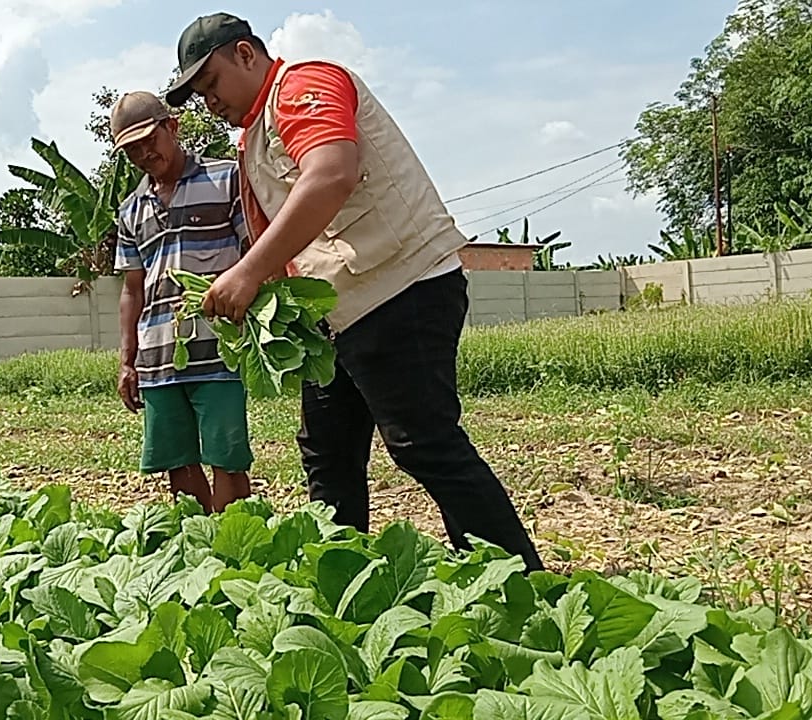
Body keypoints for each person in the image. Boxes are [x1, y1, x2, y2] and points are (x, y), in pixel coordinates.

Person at [162, 13, 545, 571]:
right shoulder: (255, 137)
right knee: (328, 453)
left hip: (401, 288)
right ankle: (343, 580)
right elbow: (287, 236)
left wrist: (247, 273)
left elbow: (331, 174)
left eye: (211, 83)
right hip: (343, 313)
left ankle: (520, 581)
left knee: (423, 444)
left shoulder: (302, 86)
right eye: (198, 94)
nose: (208, 101)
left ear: (245, 54)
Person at [111, 90, 254, 514]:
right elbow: (132, 290)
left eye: (148, 140)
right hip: (158, 357)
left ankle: (231, 547)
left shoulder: (226, 179)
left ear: (171, 127)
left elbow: (255, 253)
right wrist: (127, 360)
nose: (142, 153)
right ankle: (198, 551)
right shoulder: (131, 210)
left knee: (226, 458)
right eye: (131, 149)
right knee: (177, 462)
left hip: (219, 350)